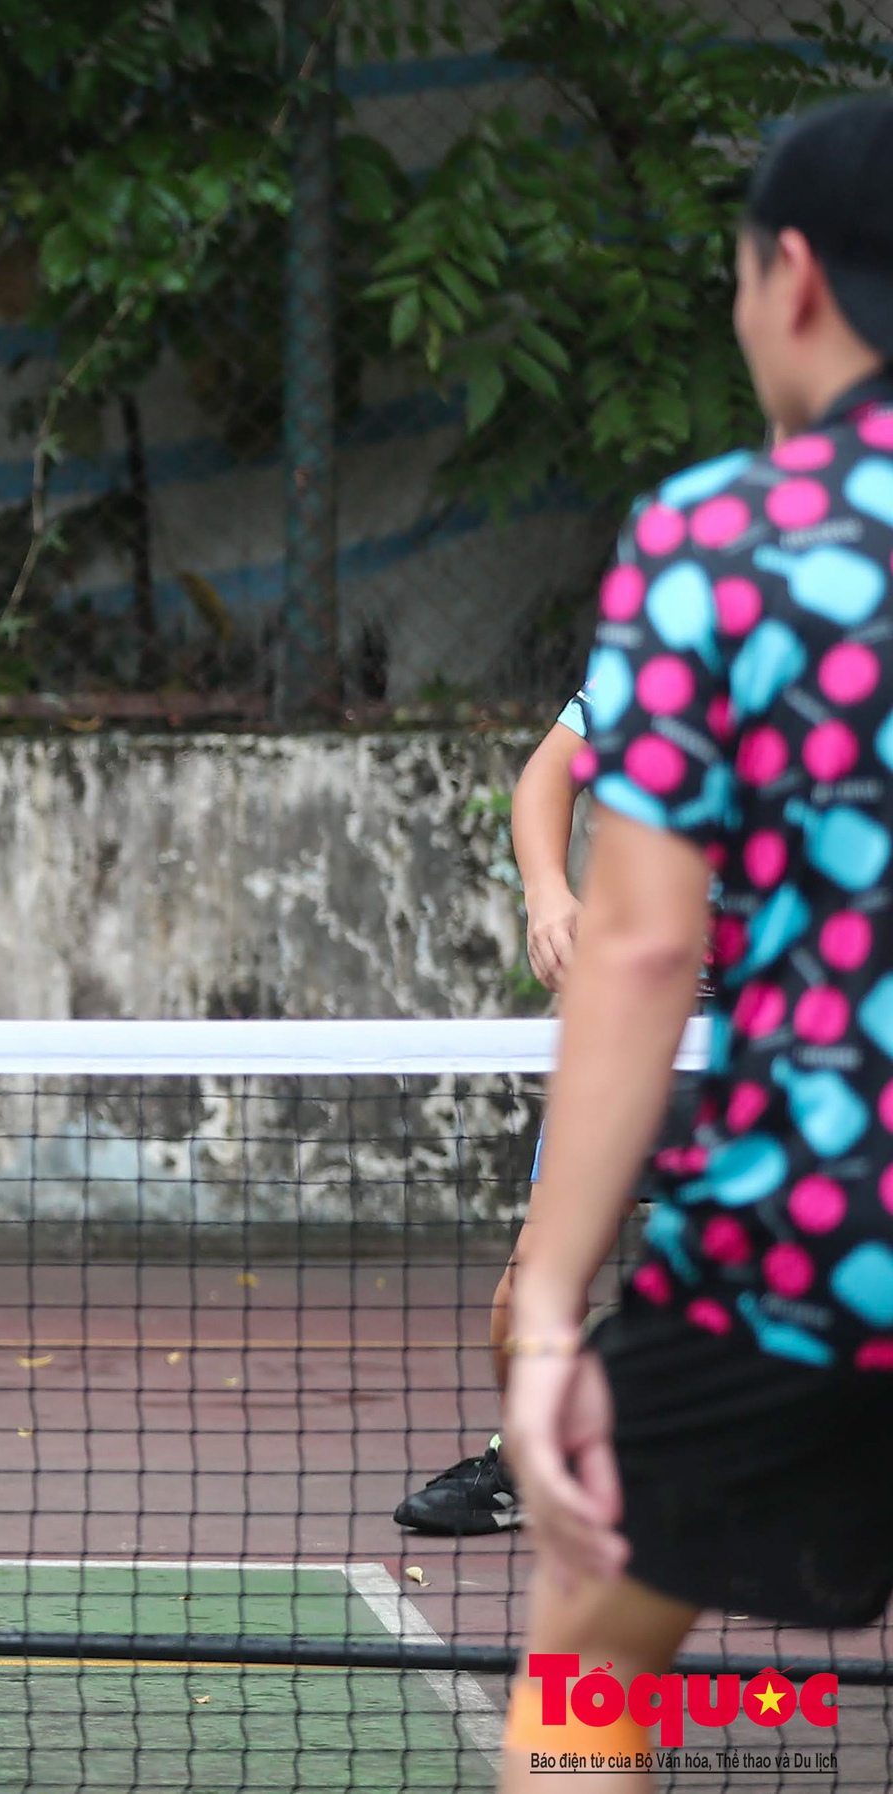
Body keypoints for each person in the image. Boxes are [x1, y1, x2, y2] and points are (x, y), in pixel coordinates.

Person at [503, 95, 893, 1790]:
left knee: (590, 1664)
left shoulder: (717, 541)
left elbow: (646, 951)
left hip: (818, 1228)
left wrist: (545, 1307)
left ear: (791, 276)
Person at [395, 698, 703, 1535]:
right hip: (630, 1018)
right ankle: (528, 1467)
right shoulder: (659, 638)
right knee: (535, 1282)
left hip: (792, 1030)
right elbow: (548, 773)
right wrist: (546, 894)